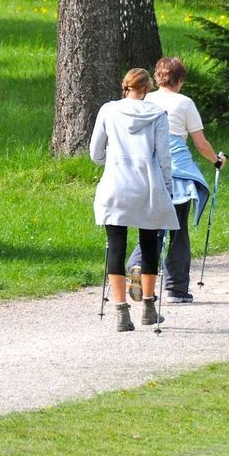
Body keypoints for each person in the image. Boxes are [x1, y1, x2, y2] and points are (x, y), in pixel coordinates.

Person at [126, 57, 227, 304]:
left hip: (149, 172)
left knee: (152, 226)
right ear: (180, 80)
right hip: (178, 173)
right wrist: (216, 160)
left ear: (157, 78)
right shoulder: (185, 103)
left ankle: (137, 264)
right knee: (177, 229)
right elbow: (200, 143)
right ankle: (177, 289)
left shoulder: (146, 100)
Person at [90, 68, 180, 332]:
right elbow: (163, 156)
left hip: (115, 186)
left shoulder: (108, 111)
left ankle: (120, 311)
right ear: (146, 89)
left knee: (116, 246)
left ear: (125, 86)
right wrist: (167, 186)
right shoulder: (157, 115)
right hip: (147, 186)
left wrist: (115, 160)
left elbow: (95, 153)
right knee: (149, 245)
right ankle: (149, 308)